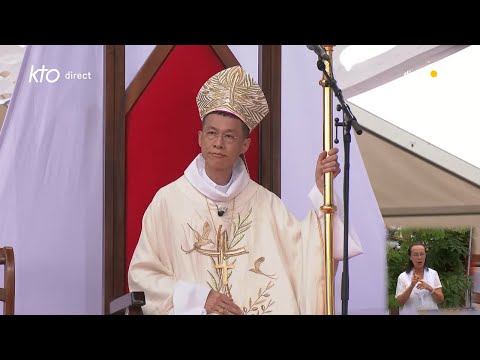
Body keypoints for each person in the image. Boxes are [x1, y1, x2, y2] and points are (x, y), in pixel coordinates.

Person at [128, 65, 363, 315]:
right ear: (199, 138)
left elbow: (308, 258)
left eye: (229, 136)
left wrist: (321, 191)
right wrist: (197, 297)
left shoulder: (267, 205)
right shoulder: (168, 202)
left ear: (245, 145)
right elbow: (143, 276)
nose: (218, 143)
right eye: (211, 133)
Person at [395, 242, 444, 314]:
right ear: (410, 257)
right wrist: (411, 286)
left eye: (422, 254)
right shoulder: (403, 276)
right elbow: (400, 302)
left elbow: (440, 299)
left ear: (425, 255)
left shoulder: (433, 273)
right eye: (416, 255)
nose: (419, 257)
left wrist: (429, 288)